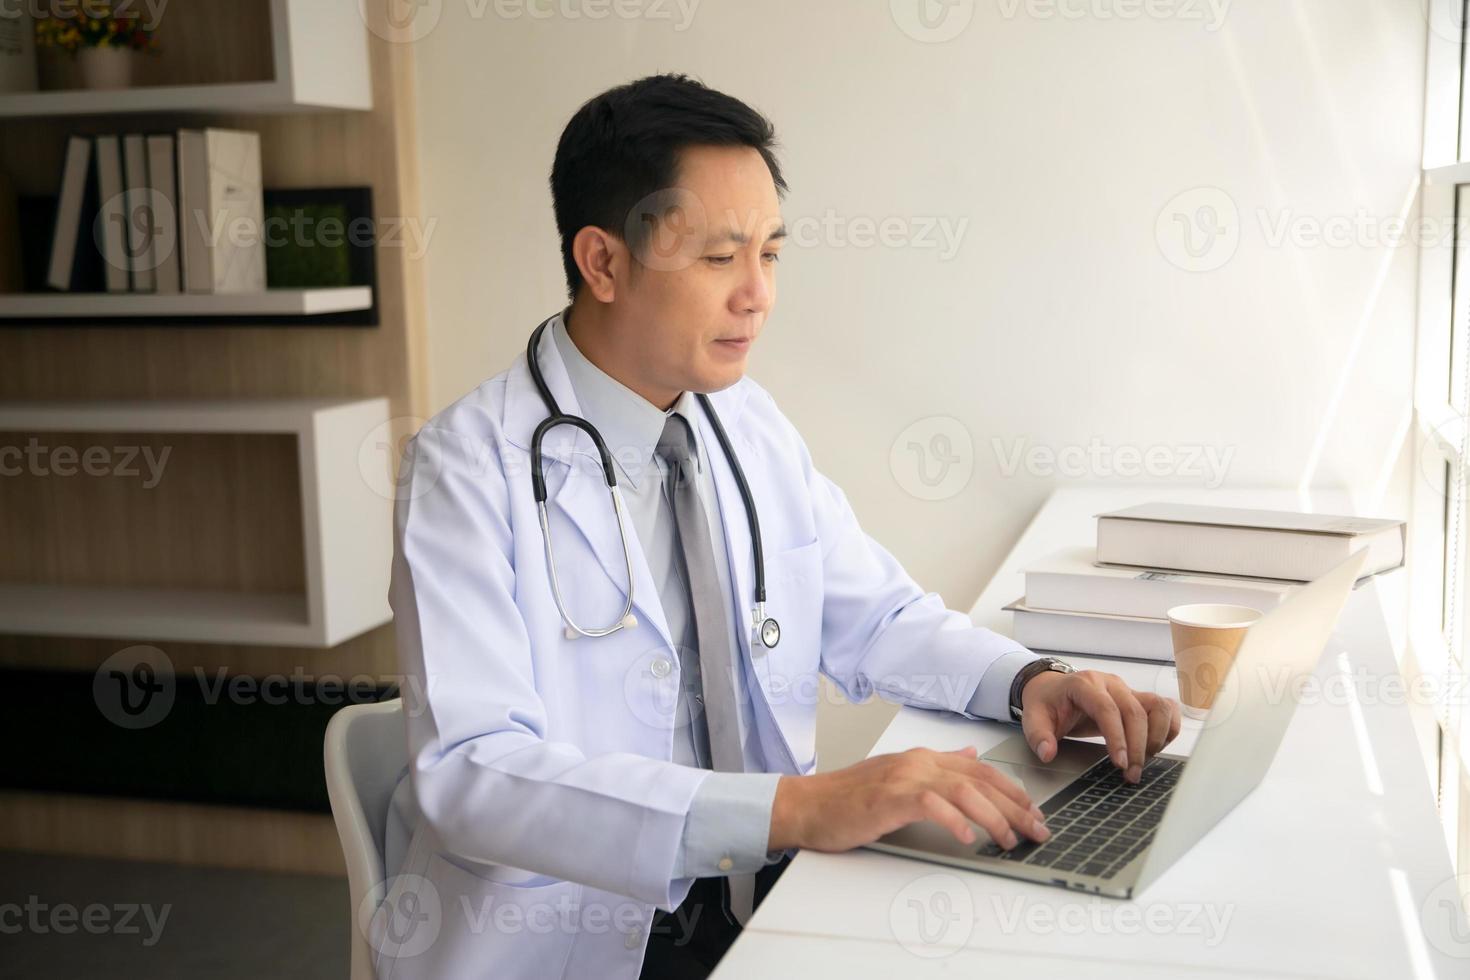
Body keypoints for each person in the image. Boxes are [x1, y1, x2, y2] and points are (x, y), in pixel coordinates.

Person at [378, 73, 1181, 980]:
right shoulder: (466, 466)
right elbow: (474, 776)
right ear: (602, 263)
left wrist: (1028, 680)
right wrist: (795, 808)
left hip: (760, 904)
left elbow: (874, 617)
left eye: (771, 254)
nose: (757, 295)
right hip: (576, 940)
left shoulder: (743, 419)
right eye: (720, 259)